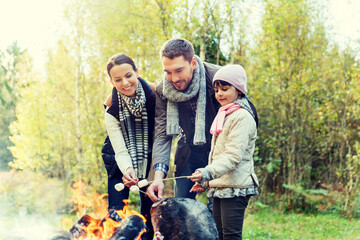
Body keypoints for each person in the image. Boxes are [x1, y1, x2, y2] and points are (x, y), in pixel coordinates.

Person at [188, 64, 259, 240]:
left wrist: (206, 172)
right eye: (217, 89)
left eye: (225, 89)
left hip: (235, 186)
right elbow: (218, 155)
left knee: (230, 236)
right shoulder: (225, 114)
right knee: (218, 235)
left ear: (239, 90)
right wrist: (206, 182)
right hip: (221, 186)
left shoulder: (242, 117)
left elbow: (233, 156)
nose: (219, 94)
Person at [146, 38, 221, 203]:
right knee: (181, 207)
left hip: (219, 151)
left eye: (179, 70)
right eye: (168, 72)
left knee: (218, 211)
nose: (173, 78)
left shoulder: (218, 78)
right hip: (187, 150)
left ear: (193, 63)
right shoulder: (162, 91)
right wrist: (158, 177)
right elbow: (162, 135)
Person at [101, 54, 155, 239]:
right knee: (115, 214)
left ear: (137, 72)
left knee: (149, 215)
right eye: (118, 79)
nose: (125, 83)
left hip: (149, 158)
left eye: (128, 75)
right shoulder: (111, 106)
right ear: (112, 82)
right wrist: (127, 169)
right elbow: (120, 149)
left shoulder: (154, 95)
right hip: (118, 161)